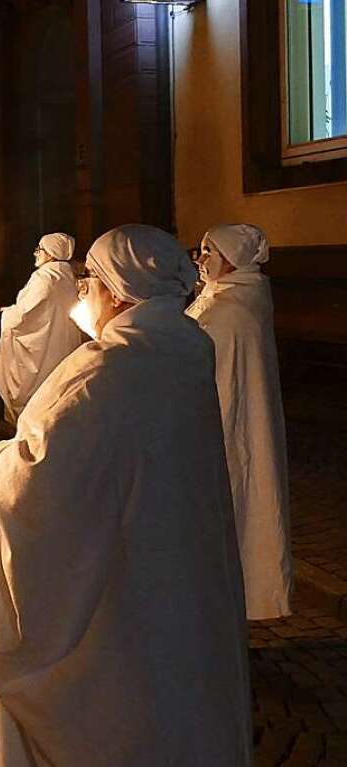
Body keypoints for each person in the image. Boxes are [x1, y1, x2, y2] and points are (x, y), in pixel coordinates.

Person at [0, 224, 251, 766]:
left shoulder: (107, 371)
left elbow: (42, 490)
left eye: (90, 280)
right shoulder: (183, 349)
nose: (83, 291)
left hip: (120, 598)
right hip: (175, 575)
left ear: (118, 291)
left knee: (126, 717)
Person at [187, 223, 292, 620]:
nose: (200, 260)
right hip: (226, 420)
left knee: (233, 505)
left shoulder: (231, 309)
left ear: (232, 259)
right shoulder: (226, 297)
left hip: (228, 425)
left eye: (208, 252)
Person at [0, 232, 83, 424]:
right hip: (61, 343)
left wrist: (7, 315)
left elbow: (26, 313)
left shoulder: (45, 276)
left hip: (41, 347)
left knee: (35, 392)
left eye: (39, 249)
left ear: (51, 253)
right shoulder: (67, 276)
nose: (36, 254)